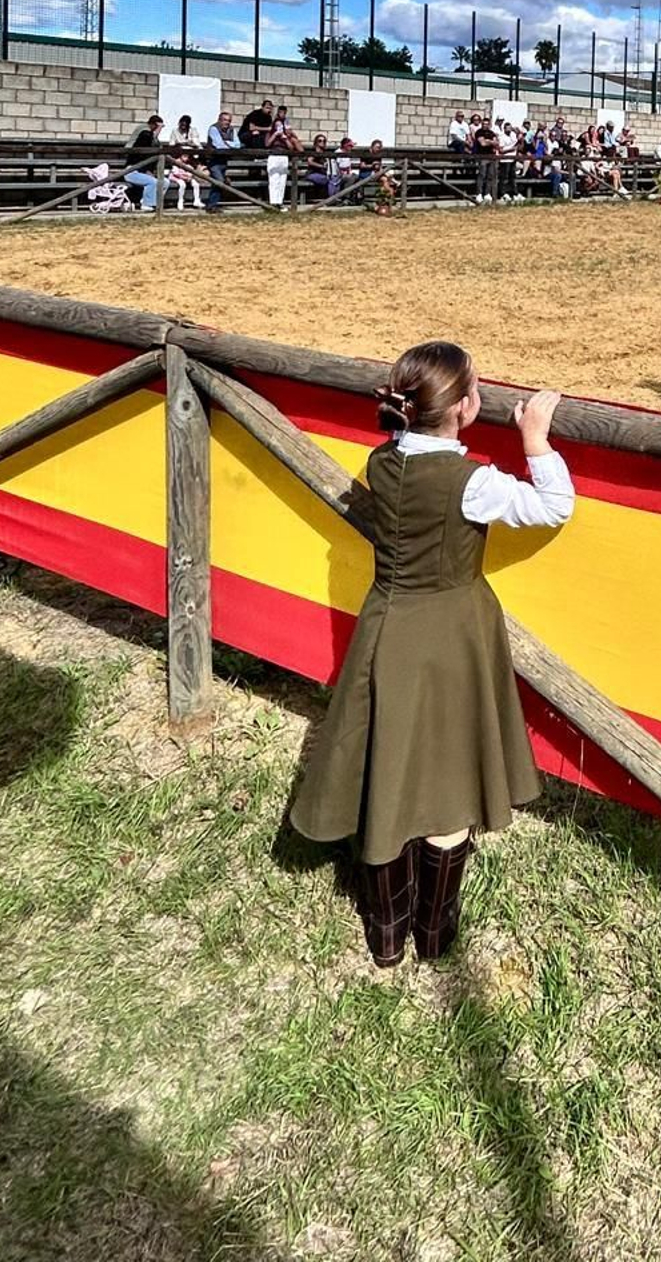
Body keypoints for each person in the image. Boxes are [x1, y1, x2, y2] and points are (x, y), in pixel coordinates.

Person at [287, 346, 572, 966]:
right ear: (468, 407)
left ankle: (386, 936)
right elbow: (554, 506)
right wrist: (536, 440)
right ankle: (434, 934)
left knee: (389, 767)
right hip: (451, 637)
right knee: (445, 785)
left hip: (387, 624)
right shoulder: (474, 485)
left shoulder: (381, 462)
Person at [124, 114, 165, 211]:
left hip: (142, 171)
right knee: (153, 182)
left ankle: (152, 201)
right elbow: (148, 141)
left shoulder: (151, 138)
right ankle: (147, 204)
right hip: (132, 170)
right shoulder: (144, 134)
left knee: (164, 182)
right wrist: (157, 130)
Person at [205, 110, 239, 212]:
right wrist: (230, 145)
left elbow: (237, 144)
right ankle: (212, 205)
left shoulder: (232, 130)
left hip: (224, 160)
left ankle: (212, 205)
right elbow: (218, 145)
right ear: (219, 120)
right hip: (213, 160)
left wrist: (227, 143)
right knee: (219, 181)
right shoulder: (213, 128)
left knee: (217, 183)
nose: (227, 123)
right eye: (224, 120)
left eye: (229, 121)